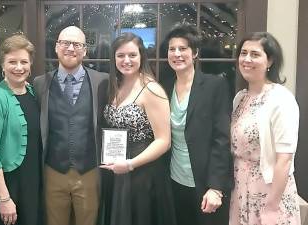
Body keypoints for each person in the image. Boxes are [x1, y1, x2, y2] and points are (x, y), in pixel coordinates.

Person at [33, 26, 109, 225]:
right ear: (57, 47)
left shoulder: (102, 82)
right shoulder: (40, 84)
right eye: (65, 43)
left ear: (85, 50)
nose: (70, 48)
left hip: (89, 171)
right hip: (53, 171)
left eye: (77, 44)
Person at [160, 22, 233, 225]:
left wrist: (216, 187)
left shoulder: (213, 85)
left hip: (205, 184)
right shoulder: (164, 87)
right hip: (174, 180)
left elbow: (222, 138)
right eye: (172, 49)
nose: (177, 54)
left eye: (183, 49)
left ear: (195, 53)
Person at [101, 32, 176, 225]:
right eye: (120, 55)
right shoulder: (115, 85)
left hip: (143, 173)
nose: (126, 60)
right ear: (114, 59)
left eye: (132, 55)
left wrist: (130, 164)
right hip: (116, 169)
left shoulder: (151, 89)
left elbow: (163, 141)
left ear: (141, 56)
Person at [229, 32, 301, 225]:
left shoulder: (281, 99)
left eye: (255, 54)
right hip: (240, 190)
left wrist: (272, 206)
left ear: (270, 61)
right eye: (243, 53)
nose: (246, 59)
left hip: (269, 193)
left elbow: (284, 158)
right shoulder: (240, 98)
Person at [0, 34, 42, 225]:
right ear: (2, 65)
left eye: (24, 61)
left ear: (30, 64)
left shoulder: (32, 92)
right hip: (8, 184)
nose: (19, 67)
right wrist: (4, 198)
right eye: (12, 62)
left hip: (32, 180)